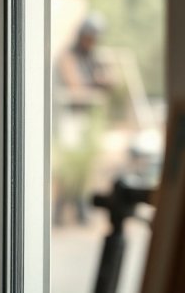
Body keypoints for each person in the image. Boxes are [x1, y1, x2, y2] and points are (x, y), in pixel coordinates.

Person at [53, 14, 114, 226]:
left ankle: (80, 208)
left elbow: (109, 82)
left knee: (85, 168)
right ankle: (60, 210)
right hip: (70, 118)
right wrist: (96, 82)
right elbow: (75, 85)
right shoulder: (68, 56)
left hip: (87, 119)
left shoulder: (92, 57)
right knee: (69, 167)